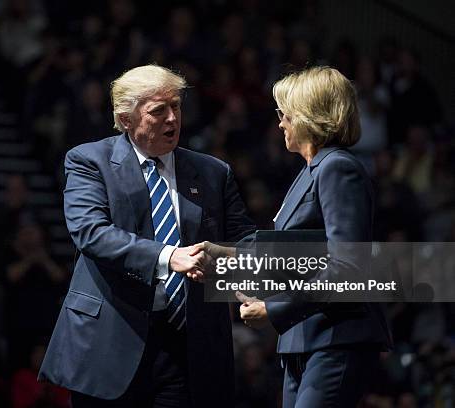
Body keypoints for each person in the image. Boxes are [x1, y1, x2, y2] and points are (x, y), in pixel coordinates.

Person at [38, 64, 255, 407]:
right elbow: (91, 233)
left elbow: (245, 243)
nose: (172, 119)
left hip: (188, 350)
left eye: (177, 107)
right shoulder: (89, 161)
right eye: (159, 110)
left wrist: (247, 275)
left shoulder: (213, 171)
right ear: (126, 119)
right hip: (109, 343)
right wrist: (170, 256)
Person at [236, 66, 392, 407]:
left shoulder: (338, 168)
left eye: (285, 113)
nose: (280, 122)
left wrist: (273, 309)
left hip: (336, 338)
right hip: (305, 339)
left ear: (308, 115)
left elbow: (347, 267)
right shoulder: (310, 171)